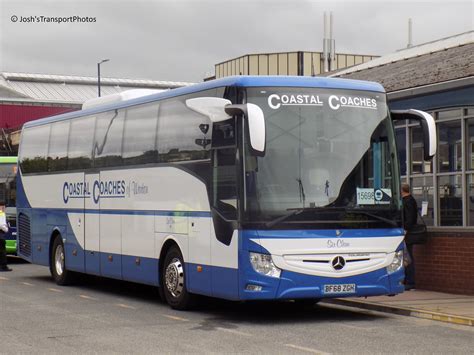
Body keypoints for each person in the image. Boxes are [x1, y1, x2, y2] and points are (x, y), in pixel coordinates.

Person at [402, 183, 417, 290]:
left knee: (408, 257)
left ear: (402, 191)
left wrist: (405, 229)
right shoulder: (410, 200)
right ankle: (407, 280)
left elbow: (409, 218)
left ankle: (410, 282)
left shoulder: (408, 201)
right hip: (407, 232)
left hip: (407, 233)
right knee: (406, 256)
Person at [0, 205, 12, 272]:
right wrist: (6, 229)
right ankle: (3, 267)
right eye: (3, 206)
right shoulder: (1, 213)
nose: (4, 208)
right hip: (0, 234)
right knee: (2, 251)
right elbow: (1, 225)